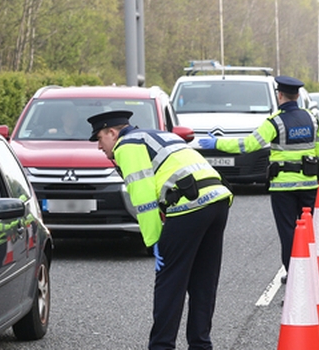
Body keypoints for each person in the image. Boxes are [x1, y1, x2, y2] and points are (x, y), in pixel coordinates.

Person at [86, 110, 232, 350]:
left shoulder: (127, 146)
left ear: (113, 133)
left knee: (170, 282)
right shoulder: (158, 135)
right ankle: (201, 344)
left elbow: (143, 199)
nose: (99, 147)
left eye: (100, 139)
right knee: (204, 281)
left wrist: (154, 242)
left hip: (189, 206)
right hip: (217, 201)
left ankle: (161, 346)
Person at [200, 76, 319, 274]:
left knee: (288, 231)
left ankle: (294, 273)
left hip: (283, 187)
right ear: (298, 95)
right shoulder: (311, 118)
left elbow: (248, 145)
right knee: (308, 229)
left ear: (280, 95)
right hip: (309, 184)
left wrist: (217, 144)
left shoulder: (274, 122)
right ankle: (310, 270)